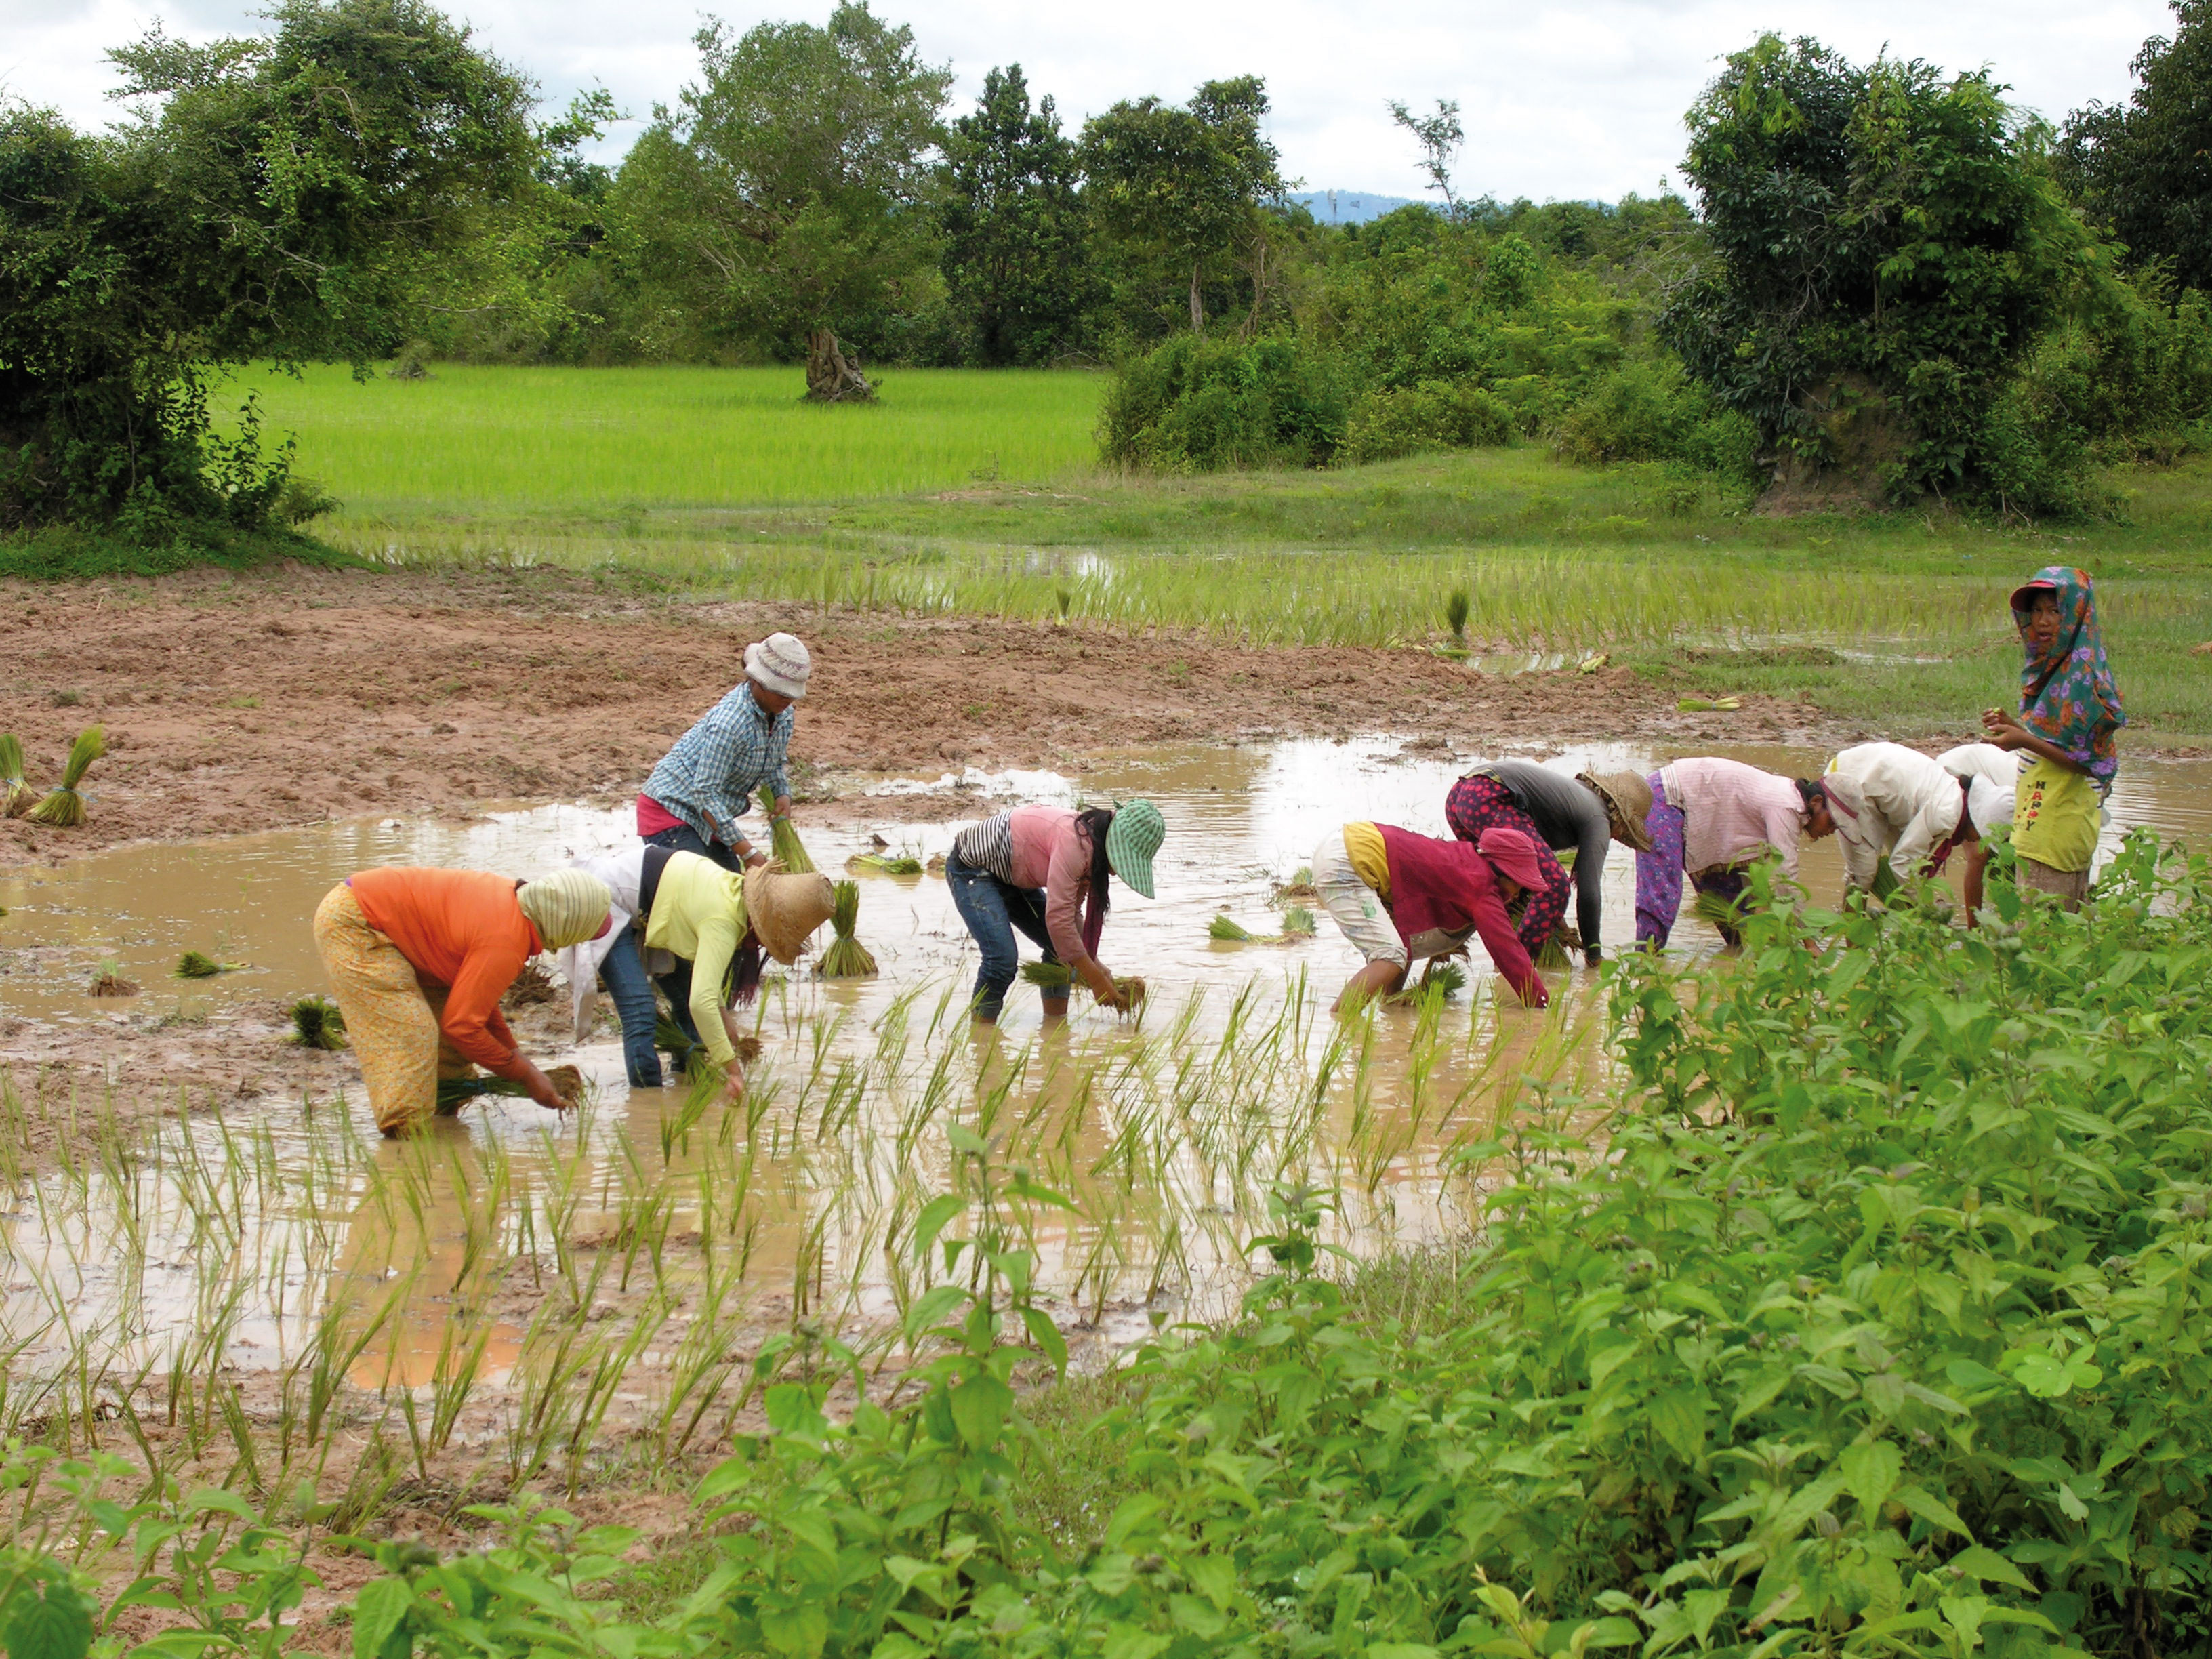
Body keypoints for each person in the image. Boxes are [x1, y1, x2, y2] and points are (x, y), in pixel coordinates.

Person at [313, 867, 612, 1136]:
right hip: (357, 921)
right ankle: (405, 1137)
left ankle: (443, 1113)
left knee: (451, 1047)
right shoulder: (505, 938)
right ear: (567, 921)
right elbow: (463, 1027)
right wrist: (526, 1075)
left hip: (404, 934)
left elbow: (477, 1009)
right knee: (411, 1032)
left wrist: (516, 1056)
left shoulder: (519, 909)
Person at [558, 846, 834, 1097]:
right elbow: (701, 1003)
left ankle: (684, 1075)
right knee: (640, 1010)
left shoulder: (732, 890)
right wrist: (733, 1069)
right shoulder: (724, 920)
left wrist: (725, 1020)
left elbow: (701, 989)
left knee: (683, 999)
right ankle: (647, 1102)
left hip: (649, 904)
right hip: (604, 901)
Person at [945, 800, 1165, 1022]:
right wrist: (1096, 980)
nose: (1117, 873)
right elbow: (1059, 920)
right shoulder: (1075, 843)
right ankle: (980, 1037)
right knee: (1002, 959)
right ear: (1113, 844)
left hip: (1014, 874)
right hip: (973, 869)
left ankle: (1054, 1026)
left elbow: (1071, 914)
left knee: (1057, 947)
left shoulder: (1093, 849)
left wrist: (1096, 965)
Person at [1981, 568, 2125, 907]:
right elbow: (2059, 741)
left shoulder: (2083, 679)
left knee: (2039, 941)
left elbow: (2092, 764)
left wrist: (2024, 741)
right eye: (2037, 611)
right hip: (2049, 825)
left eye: (2055, 610)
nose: (2042, 621)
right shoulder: (2059, 669)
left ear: (2076, 613)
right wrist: (2015, 727)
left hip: (2053, 835)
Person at [1313, 821, 1551, 1013]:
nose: (1518, 893)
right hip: (1347, 864)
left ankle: (1391, 1005)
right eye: (1518, 883)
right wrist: (1542, 1006)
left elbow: (1412, 926)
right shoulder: (1481, 886)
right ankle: (1341, 1019)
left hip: (1351, 839)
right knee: (1389, 956)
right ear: (1501, 871)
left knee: (1398, 946)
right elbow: (1508, 951)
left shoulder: (1462, 860)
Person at [637, 632, 811, 872]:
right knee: (699, 893)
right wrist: (748, 852)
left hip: (709, 817)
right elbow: (705, 793)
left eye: (791, 694)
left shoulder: (784, 715)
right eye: (781, 693)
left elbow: (773, 762)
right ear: (757, 681)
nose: (787, 700)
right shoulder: (730, 723)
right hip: (673, 811)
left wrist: (781, 793)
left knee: (733, 890)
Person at [1444, 762, 1652, 962]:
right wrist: (1594, 954)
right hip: (1490, 796)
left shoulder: (1577, 796)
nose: (1616, 837)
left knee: (1506, 886)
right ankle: (1518, 968)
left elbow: (1532, 876)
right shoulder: (1599, 819)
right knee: (1556, 886)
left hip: (1461, 795)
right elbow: (1589, 893)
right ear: (1621, 820)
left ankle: (1446, 936)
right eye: (1623, 832)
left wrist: (1559, 925)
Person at [1635, 758, 1845, 949]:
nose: (1831, 831)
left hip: (1707, 820)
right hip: (1665, 798)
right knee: (1662, 893)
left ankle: (1736, 963)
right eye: (1832, 822)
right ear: (1816, 802)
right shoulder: (1787, 806)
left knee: (1736, 916)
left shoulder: (1789, 801)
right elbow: (1785, 881)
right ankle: (1646, 962)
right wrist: (1809, 944)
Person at [1825, 741, 2015, 905]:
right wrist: (1927, 911)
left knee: (1905, 872)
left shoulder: (1955, 801)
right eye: (1981, 837)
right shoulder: (1946, 815)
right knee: (1862, 873)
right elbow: (1902, 864)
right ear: (1977, 822)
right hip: (1854, 777)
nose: (1976, 842)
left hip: (1884, 782)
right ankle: (1852, 935)